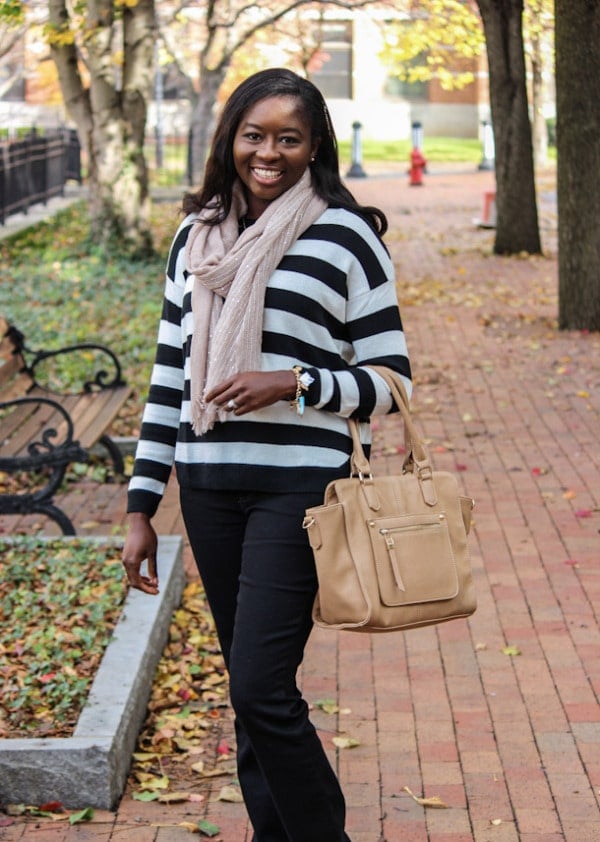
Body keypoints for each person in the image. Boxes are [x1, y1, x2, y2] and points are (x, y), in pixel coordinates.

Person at [122, 67, 411, 842]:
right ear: (231, 139)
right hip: (210, 485)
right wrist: (141, 504)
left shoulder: (347, 238)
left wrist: (296, 381)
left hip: (302, 490)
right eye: (256, 135)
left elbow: (391, 381)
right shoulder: (195, 238)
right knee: (252, 689)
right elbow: (167, 376)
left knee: (259, 686)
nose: (269, 152)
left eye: (290, 137)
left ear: (314, 146)